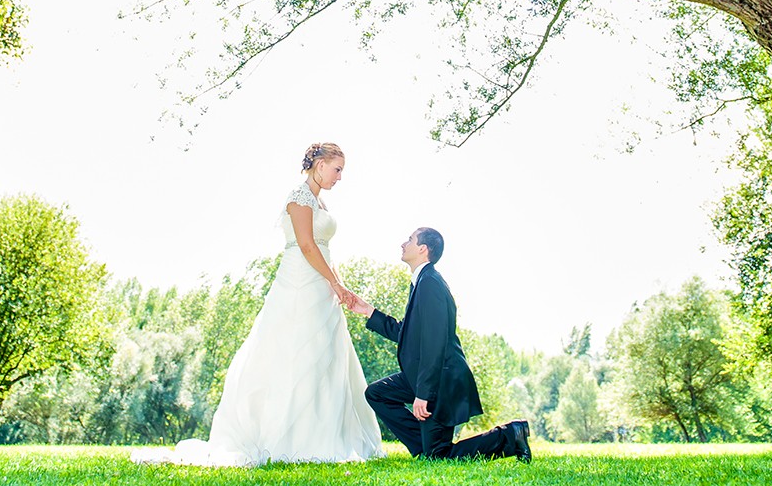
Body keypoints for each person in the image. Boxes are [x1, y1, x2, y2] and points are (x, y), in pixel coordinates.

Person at [131, 142, 385, 467]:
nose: (339, 177)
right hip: (299, 283)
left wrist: (340, 286)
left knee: (326, 355)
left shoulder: (319, 200)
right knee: (295, 350)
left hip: (322, 285)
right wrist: (332, 282)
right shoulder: (299, 199)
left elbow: (324, 248)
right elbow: (307, 245)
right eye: (337, 169)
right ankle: (288, 435)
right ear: (319, 164)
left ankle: (327, 433)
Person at [345, 228, 531, 462]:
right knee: (377, 394)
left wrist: (424, 394)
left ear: (423, 249)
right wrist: (369, 312)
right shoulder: (422, 282)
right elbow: (410, 334)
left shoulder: (430, 283)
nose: (404, 244)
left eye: (410, 240)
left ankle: (510, 436)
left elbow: (435, 343)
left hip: (441, 382)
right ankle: (424, 448)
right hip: (423, 375)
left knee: (440, 456)